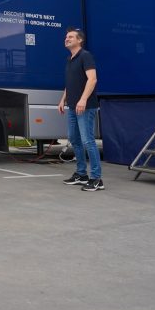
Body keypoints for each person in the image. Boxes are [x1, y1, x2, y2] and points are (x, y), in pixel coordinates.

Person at [58, 28, 103, 191]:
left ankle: (96, 178)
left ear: (80, 40)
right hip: (72, 106)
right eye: (66, 37)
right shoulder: (70, 59)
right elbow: (71, 82)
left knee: (87, 141)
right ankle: (81, 174)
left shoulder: (85, 56)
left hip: (85, 106)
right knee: (74, 139)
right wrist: (63, 99)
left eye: (70, 37)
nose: (67, 39)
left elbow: (92, 79)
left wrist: (83, 99)